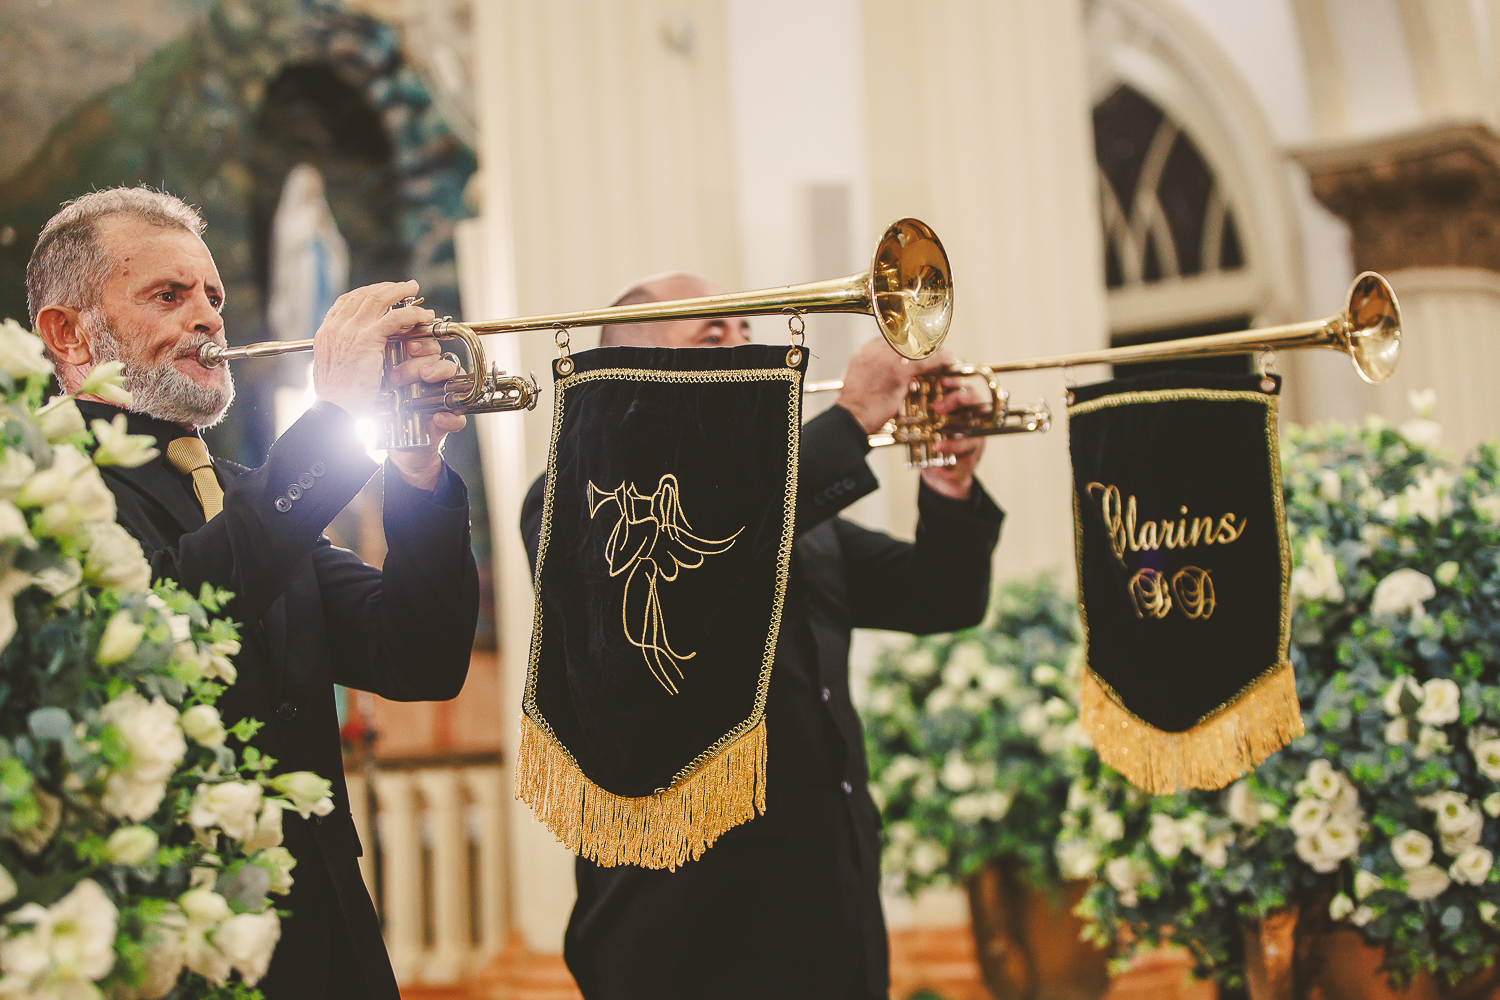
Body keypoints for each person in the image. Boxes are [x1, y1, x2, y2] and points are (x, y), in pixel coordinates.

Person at [27, 187, 480, 1000]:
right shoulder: (40, 494)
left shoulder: (247, 494)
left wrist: (415, 468)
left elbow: (418, 659)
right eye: (169, 295)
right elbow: (172, 624)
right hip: (171, 943)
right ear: (66, 334)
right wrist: (333, 415)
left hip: (327, 925)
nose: (208, 319)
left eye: (214, 298)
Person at [520, 272, 1004, 1000]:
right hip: (683, 935)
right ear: (643, 371)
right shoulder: (578, 493)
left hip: (828, 913)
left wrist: (949, 478)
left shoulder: (796, 518)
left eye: (748, 335)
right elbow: (720, 535)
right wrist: (851, 420)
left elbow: (941, 598)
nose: (749, 353)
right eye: (716, 335)